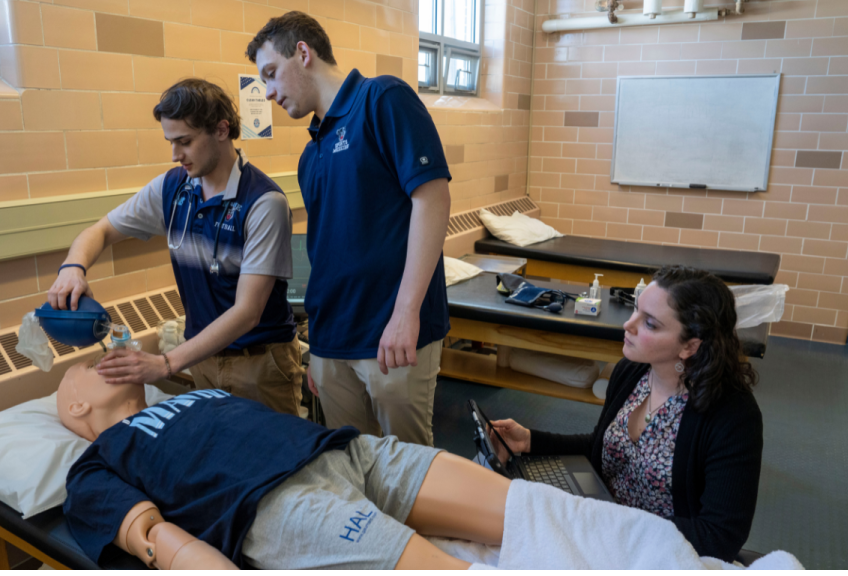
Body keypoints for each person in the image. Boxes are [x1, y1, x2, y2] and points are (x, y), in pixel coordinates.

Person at [56, 360, 510, 569]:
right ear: (76, 405)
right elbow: (153, 537)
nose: (103, 360)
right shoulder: (94, 464)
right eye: (89, 367)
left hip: (348, 451)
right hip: (276, 502)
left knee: (529, 512)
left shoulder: (188, 392)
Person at [246, 12, 452, 446]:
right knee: (354, 471)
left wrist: (406, 312)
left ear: (303, 53)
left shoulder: (381, 99)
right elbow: (326, 253)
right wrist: (317, 350)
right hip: (332, 345)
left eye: (271, 74)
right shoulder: (311, 153)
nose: (267, 92)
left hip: (392, 337)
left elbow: (432, 200)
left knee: (410, 477)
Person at [46, 79, 305, 416]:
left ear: (221, 130)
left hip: (259, 363)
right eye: (170, 142)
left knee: (275, 461)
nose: (174, 155)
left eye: (184, 142)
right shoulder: (173, 188)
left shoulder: (262, 203)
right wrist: (72, 269)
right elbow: (100, 231)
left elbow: (247, 312)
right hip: (203, 358)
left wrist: (165, 364)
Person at [488, 265, 763, 562]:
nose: (628, 326)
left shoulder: (733, 416)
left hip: (654, 552)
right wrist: (530, 441)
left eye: (650, 324)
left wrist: (609, 522)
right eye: (635, 310)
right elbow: (601, 445)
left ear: (690, 346)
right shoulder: (632, 372)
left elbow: (719, 536)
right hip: (598, 522)